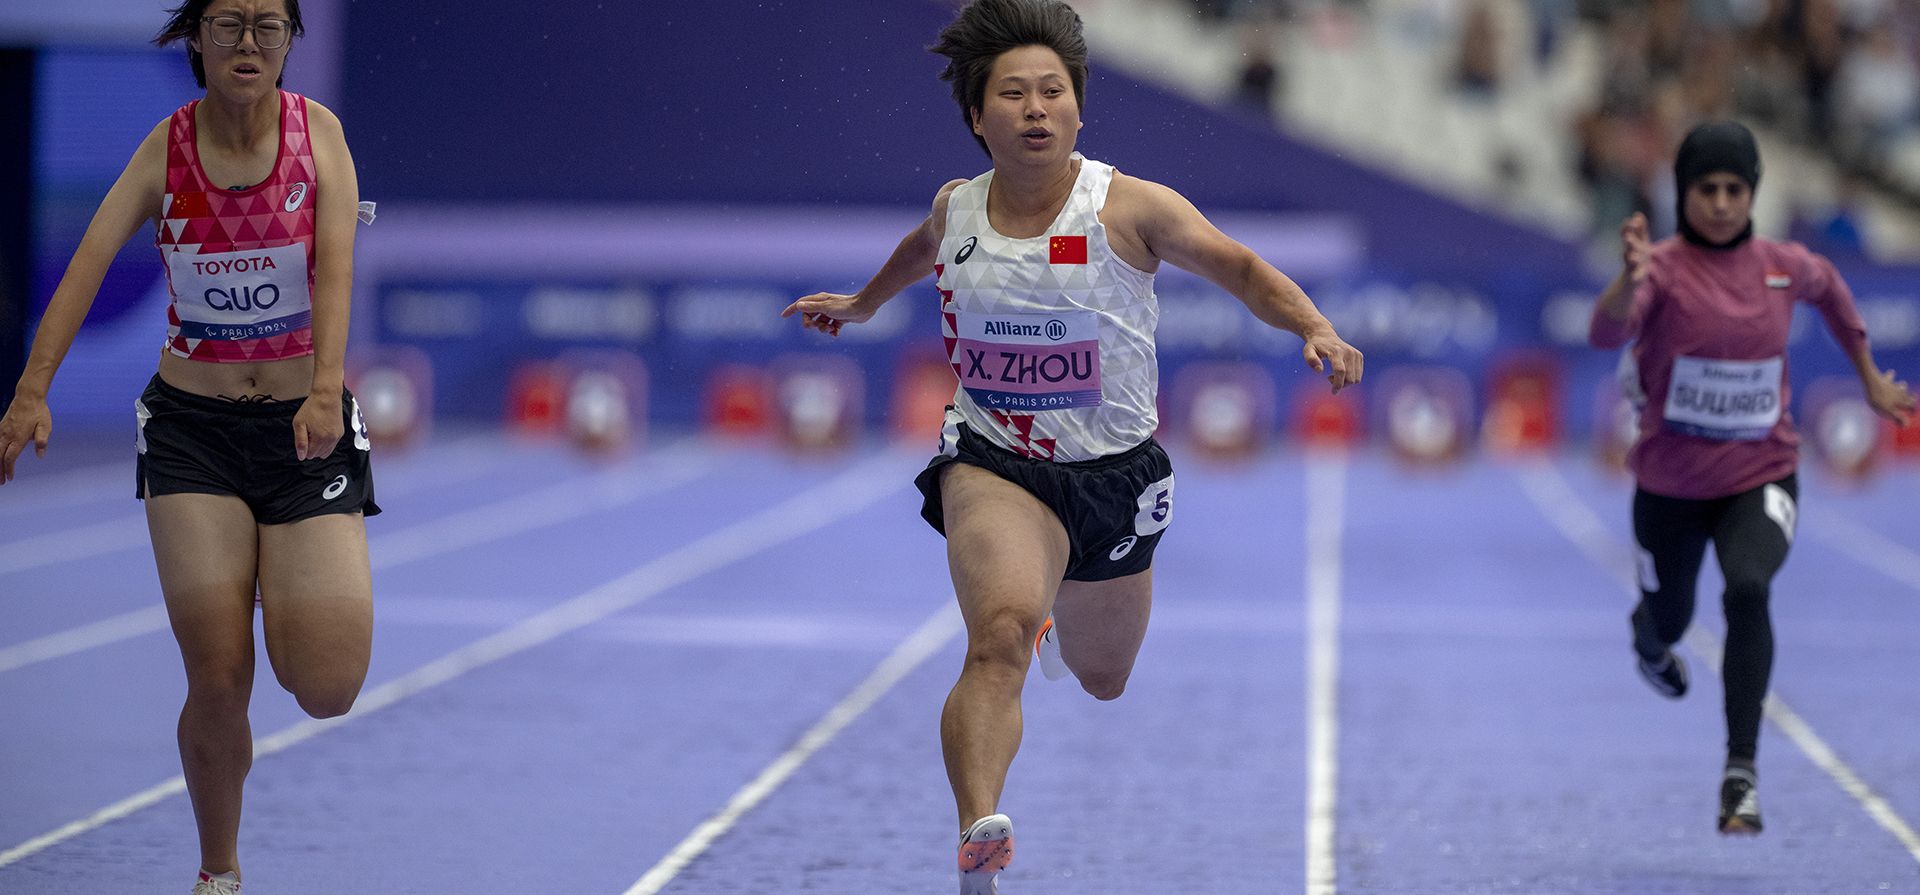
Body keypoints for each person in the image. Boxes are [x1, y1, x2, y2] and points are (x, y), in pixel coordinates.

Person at [781, 1, 1362, 889]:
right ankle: (979, 835)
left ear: (1080, 109)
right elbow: (921, 248)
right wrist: (862, 303)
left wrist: (1314, 325)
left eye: (1053, 91)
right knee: (999, 635)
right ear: (979, 115)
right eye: (1012, 94)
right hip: (993, 458)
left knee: (1102, 676)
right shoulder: (957, 207)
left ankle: (1058, 614)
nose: (1035, 108)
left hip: (1114, 475)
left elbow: (1239, 266)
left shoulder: (1130, 207)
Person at [0, 2, 379, 891]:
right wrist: (30, 392)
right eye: (227, 25)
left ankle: (286, 589)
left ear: (289, 41)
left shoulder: (317, 134)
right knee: (216, 673)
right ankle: (219, 872)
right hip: (191, 434)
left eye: (266, 27)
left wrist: (325, 389)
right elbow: (87, 261)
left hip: (303, 430)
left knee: (325, 684)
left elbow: (334, 267)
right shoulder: (164, 149)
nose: (247, 45)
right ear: (195, 39)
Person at [1589, 120, 1914, 836]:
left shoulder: (1784, 264)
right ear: (1685, 193)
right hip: (1670, 486)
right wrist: (1625, 280)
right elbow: (1605, 333)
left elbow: (1834, 296)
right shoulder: (1663, 271)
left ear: (1754, 194)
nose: (1723, 203)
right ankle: (1649, 633)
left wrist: (1868, 380)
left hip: (1759, 473)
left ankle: (1741, 770)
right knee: (1671, 617)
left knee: (1749, 587)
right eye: (1708, 189)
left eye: (1737, 189)